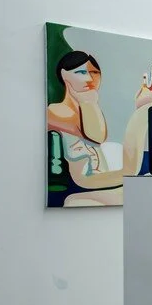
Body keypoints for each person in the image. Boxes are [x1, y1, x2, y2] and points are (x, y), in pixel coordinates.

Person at [46, 51, 124, 206]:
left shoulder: (88, 110)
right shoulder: (54, 111)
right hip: (80, 183)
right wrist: (89, 102)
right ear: (64, 75)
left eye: (95, 73)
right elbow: (97, 136)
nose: (90, 79)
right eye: (81, 72)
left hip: (99, 179)